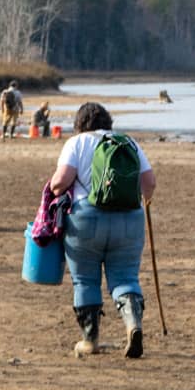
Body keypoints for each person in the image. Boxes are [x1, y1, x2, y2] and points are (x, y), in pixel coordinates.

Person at [45, 100, 155, 358]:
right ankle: (133, 325)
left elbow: (60, 182)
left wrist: (52, 190)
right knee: (126, 277)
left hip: (86, 220)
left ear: (79, 124)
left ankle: (90, 339)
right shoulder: (128, 142)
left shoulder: (77, 142)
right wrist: (142, 203)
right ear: (108, 122)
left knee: (85, 280)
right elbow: (149, 182)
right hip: (129, 219)